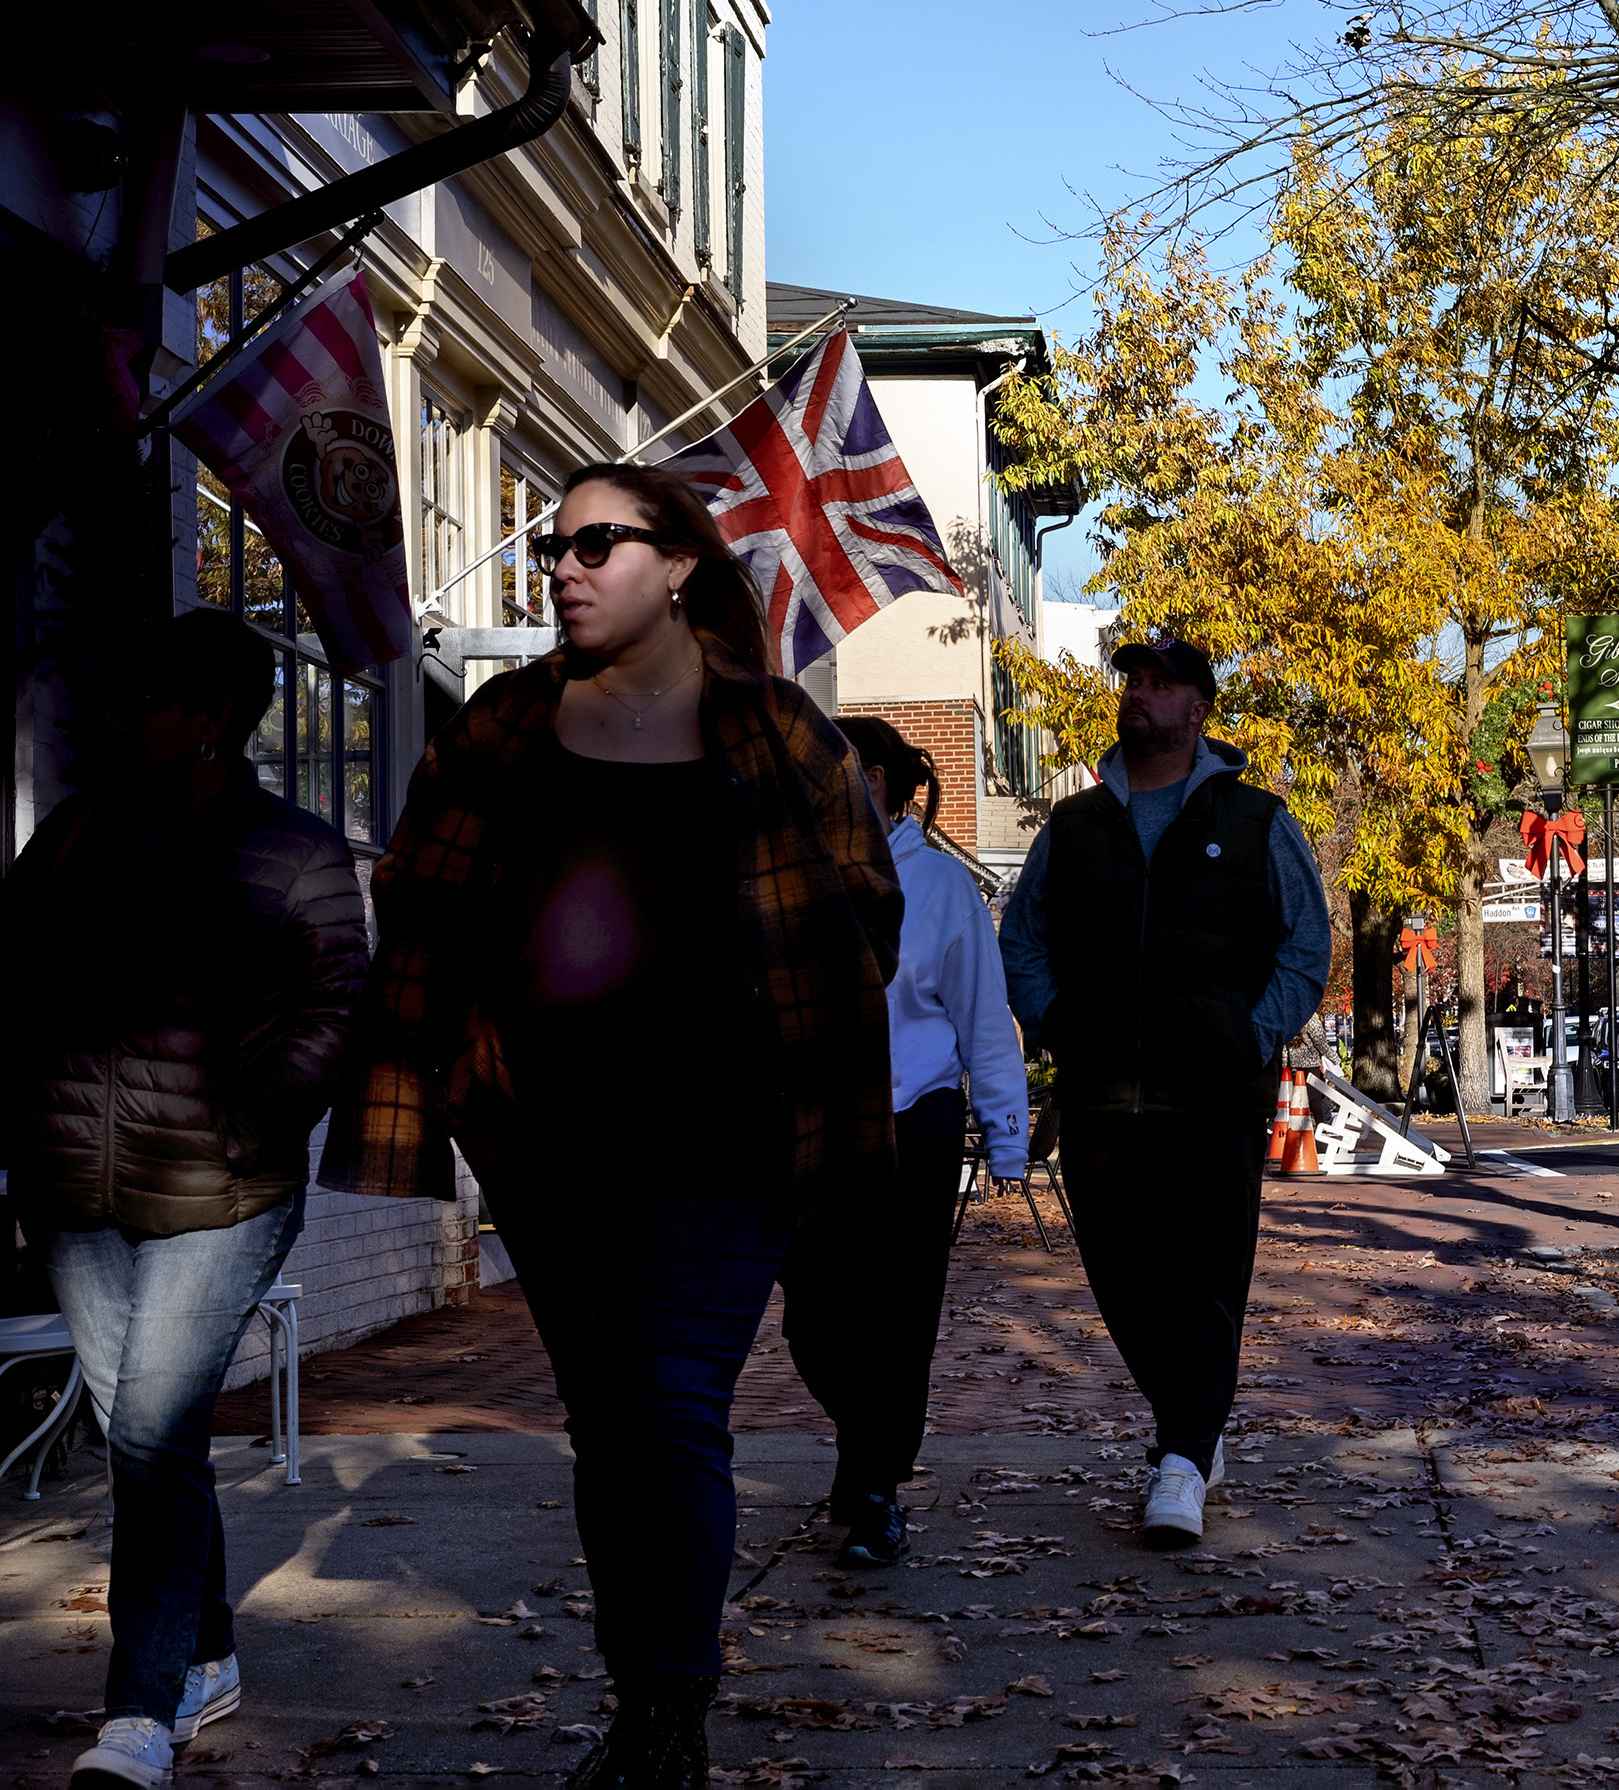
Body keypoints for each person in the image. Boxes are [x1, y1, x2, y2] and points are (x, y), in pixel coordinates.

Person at [325, 465, 900, 1790]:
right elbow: (420, 903)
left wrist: (775, 1026)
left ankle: (669, 1717)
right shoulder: (501, 729)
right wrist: (465, 1072)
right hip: (548, 1146)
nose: (564, 567)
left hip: (723, 1146)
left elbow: (869, 909)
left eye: (597, 542)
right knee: (607, 1423)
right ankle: (644, 1686)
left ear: (681, 563)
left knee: (672, 1407)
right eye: (552, 547)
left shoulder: (777, 729)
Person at [5, 610, 366, 1789]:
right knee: (142, 1438)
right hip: (78, 1191)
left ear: (209, 720)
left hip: (221, 1191)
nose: (120, 715)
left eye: (148, 697)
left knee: (154, 1434)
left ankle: (140, 1712)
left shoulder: (298, 852)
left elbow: (331, 1019)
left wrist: (241, 1115)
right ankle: (204, 1648)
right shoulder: (70, 839)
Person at [996, 636, 1330, 1548]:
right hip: (1101, 1099)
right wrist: (1057, 1020)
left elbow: (1308, 947)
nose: (1138, 693)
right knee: (1123, 1283)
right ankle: (1199, 1425)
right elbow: (1021, 939)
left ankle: (1178, 1461)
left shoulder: (1259, 820)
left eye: (1159, 683)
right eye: (1131, 680)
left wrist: (1247, 1035)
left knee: (1205, 1284)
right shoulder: (1072, 826)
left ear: (1198, 708)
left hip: (1214, 1099)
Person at [779, 717, 1027, 1568]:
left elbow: (982, 1019)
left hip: (913, 1124)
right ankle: (868, 1452)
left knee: (899, 1317)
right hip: (811, 1128)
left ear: (877, 779)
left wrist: (1007, 1140)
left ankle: (875, 1491)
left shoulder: (943, 888)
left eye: (835, 773)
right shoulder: (795, 873)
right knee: (810, 1317)